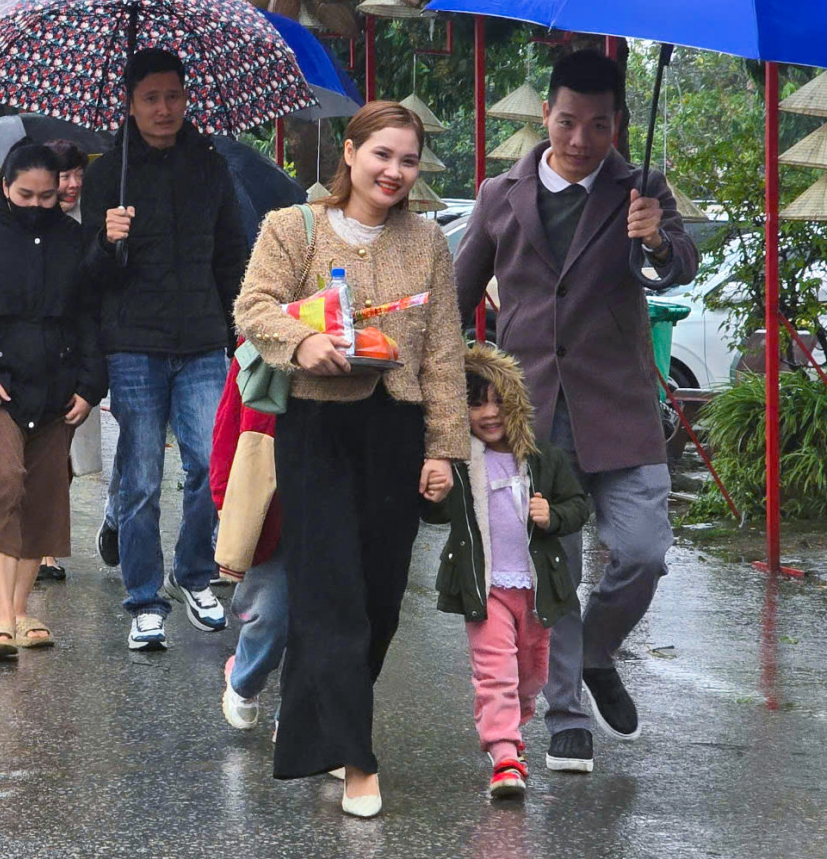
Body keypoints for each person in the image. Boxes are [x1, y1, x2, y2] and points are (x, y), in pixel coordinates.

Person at [454, 49, 697, 774]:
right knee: (551, 564)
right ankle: (565, 716)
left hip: (620, 408)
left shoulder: (640, 186)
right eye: (568, 121)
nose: (582, 138)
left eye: (598, 124)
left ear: (619, 124)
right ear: (545, 117)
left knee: (644, 552)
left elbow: (677, 265)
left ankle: (594, 653)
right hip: (534, 408)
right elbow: (459, 288)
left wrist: (654, 235)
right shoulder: (501, 193)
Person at [233, 100, 467, 816]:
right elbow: (252, 306)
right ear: (351, 153)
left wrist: (444, 450)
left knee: (379, 600)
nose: (394, 171)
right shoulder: (291, 227)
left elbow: (446, 352)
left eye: (407, 160)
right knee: (331, 593)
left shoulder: (428, 240)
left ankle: (322, 725)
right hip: (317, 429)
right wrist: (303, 343)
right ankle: (358, 759)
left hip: (394, 432)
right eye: (382, 155)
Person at [82, 49, 248, 648]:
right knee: (142, 475)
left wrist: (239, 329)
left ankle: (193, 572)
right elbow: (86, 273)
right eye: (151, 97)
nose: (164, 108)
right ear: (129, 103)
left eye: (173, 95)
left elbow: (232, 252)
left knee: (209, 464)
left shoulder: (209, 164)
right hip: (133, 346)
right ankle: (144, 596)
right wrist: (107, 240)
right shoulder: (108, 173)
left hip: (202, 339)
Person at [0, 142, 106, 659]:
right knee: (4, 481)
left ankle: (23, 610)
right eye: (25, 193)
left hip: (57, 388)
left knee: (46, 496)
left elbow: (91, 317)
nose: (35, 203)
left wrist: (90, 387)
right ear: (4, 186)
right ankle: (3, 616)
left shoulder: (74, 240)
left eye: (47, 196)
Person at [427, 344, 592, 802]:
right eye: (475, 403)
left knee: (530, 675)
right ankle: (504, 755)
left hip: (538, 593)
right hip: (486, 590)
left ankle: (513, 727)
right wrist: (434, 492)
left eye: (498, 400)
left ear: (516, 403)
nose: (489, 413)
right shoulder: (461, 466)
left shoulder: (544, 459)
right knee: (494, 672)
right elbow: (436, 517)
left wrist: (553, 515)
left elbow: (580, 505)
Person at [210, 355, 284, 733]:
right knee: (271, 614)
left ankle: (293, 714)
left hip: (324, 497)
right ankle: (244, 678)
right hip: (268, 506)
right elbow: (227, 424)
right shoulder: (259, 348)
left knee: (319, 619)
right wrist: (224, 498)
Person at [40, 139, 97, 582]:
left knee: (66, 456)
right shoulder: (26, 224)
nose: (72, 184)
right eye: (64, 175)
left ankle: (47, 542)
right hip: (32, 356)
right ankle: (37, 544)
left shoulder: (93, 224)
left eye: (78, 174)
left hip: (76, 355)